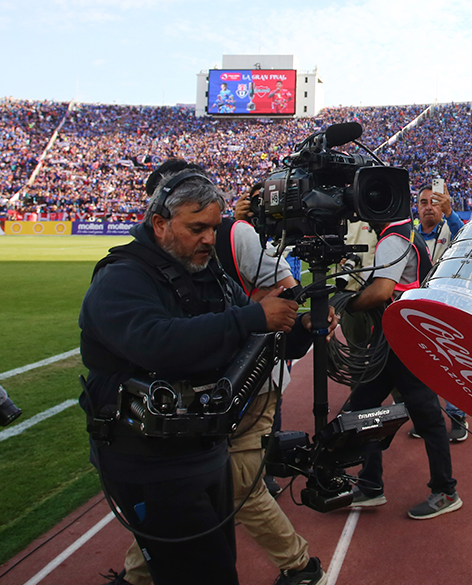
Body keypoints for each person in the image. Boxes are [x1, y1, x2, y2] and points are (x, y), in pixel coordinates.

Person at [79, 169, 326, 585]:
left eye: (213, 228)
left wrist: (298, 328)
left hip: (203, 447)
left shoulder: (208, 272)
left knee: (212, 561)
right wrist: (252, 317)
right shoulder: (122, 277)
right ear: (160, 223)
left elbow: (245, 344)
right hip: (148, 459)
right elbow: (158, 344)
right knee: (204, 570)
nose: (210, 239)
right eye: (197, 229)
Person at [342, 213, 462, 518]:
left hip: (404, 339)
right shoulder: (405, 232)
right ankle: (370, 484)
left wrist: (346, 304)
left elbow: (382, 291)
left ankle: (446, 491)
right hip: (395, 338)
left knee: (426, 415)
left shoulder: (393, 238)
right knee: (363, 406)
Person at [411, 184, 469, 441]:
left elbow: (468, 238)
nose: (428, 208)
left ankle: (457, 417)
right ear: (417, 208)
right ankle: (429, 419)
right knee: (423, 365)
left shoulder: (451, 229)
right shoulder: (410, 235)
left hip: (447, 305)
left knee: (452, 363)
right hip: (419, 306)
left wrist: (450, 212)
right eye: (423, 203)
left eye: (433, 202)